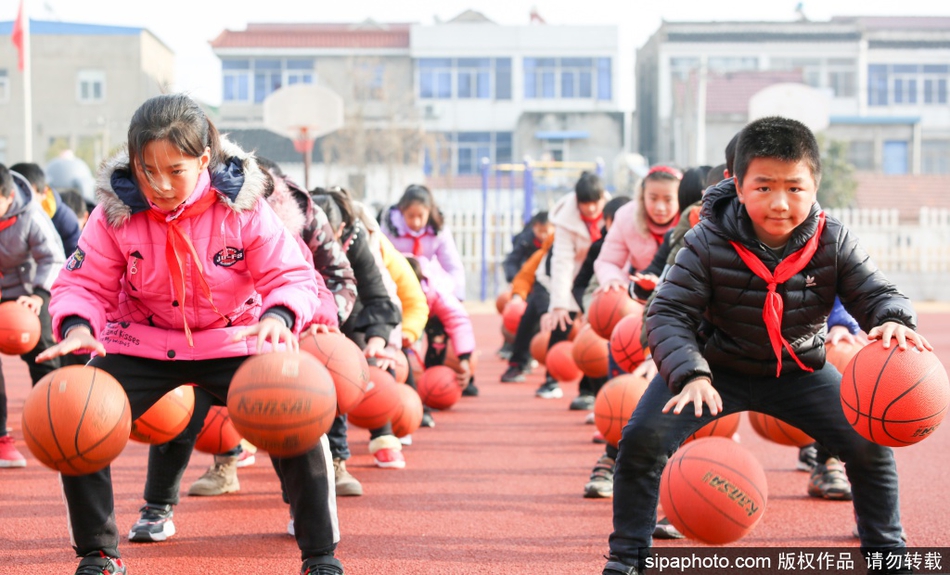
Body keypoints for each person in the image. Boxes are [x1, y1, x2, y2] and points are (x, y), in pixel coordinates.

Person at [36, 94, 344, 575]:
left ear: (203, 160)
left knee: (298, 412)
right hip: (144, 340)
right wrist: (77, 327)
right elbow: (83, 282)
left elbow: (292, 276)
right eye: (147, 170)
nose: (159, 185)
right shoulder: (116, 213)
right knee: (72, 411)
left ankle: (320, 555)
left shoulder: (242, 208)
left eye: (175, 170)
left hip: (234, 338)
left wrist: (279, 317)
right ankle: (98, 553)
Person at [602, 116, 923, 575]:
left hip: (799, 370)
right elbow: (667, 312)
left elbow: (875, 292)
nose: (779, 203)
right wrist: (689, 372)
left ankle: (888, 554)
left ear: (814, 184)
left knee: (868, 445)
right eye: (764, 187)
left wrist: (893, 319)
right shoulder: (705, 239)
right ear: (737, 183)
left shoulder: (833, 239)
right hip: (714, 371)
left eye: (794, 188)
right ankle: (627, 558)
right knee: (641, 439)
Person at [312, 188, 404, 471]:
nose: (322, 244)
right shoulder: (295, 234)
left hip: (355, 309)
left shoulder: (358, 242)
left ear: (340, 229)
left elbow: (380, 296)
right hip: (307, 310)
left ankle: (382, 435)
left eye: (329, 236)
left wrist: (378, 339)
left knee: (361, 369)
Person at [0, 164, 66, 468]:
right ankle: (1, 439)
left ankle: (57, 427)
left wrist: (39, 296)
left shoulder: (31, 215)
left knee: (43, 354)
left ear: (9, 196)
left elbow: (53, 257)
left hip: (28, 290)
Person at [536, 172, 610, 400]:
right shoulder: (565, 221)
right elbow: (562, 262)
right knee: (562, 320)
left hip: (599, 276)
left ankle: (588, 390)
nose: (590, 208)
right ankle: (550, 379)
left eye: (594, 202)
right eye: (584, 203)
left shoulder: (613, 214)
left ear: (602, 199)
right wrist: (559, 303)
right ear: (577, 201)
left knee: (597, 329)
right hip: (571, 276)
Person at [381, 184, 466, 301]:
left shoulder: (439, 231)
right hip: (396, 289)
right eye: (411, 216)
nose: (416, 222)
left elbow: (452, 265)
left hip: (430, 289)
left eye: (420, 216)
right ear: (402, 211)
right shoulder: (389, 230)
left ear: (429, 211)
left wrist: (457, 295)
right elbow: (380, 262)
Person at [406, 256, 475, 387]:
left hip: (432, 312)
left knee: (438, 333)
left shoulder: (438, 293)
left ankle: (435, 376)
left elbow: (458, 321)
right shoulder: (389, 280)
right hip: (407, 311)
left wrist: (464, 359)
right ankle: (407, 382)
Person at [498, 211, 552, 359]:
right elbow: (512, 262)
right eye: (540, 231)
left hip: (546, 287)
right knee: (512, 308)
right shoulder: (524, 240)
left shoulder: (556, 245)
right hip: (525, 284)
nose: (543, 235)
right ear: (534, 227)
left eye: (547, 231)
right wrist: (515, 285)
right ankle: (510, 344)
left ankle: (540, 350)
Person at [10, 162, 82, 257]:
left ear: (43, 192)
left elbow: (74, 260)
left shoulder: (65, 220)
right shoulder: (8, 213)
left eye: (25, 192)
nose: (19, 198)